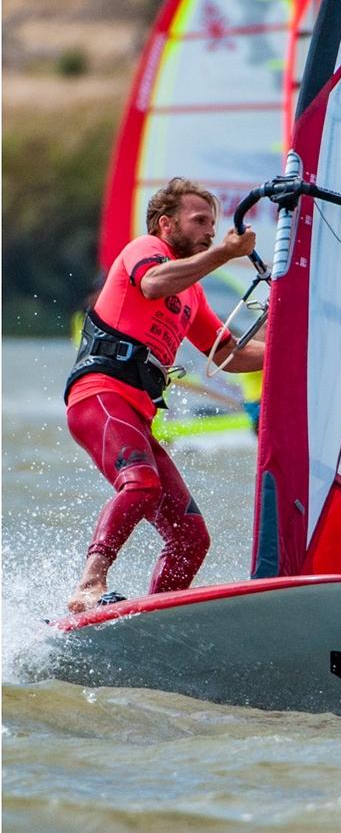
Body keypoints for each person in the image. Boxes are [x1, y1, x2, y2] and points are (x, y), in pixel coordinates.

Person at [64, 177, 264, 613]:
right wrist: (223, 254)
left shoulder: (192, 292)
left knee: (192, 537)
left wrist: (295, 348)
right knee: (141, 484)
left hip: (137, 414)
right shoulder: (144, 250)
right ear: (167, 225)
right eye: (199, 221)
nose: (210, 230)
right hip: (99, 396)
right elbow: (153, 285)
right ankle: (89, 584)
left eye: (213, 222)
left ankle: (153, 616)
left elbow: (227, 355)